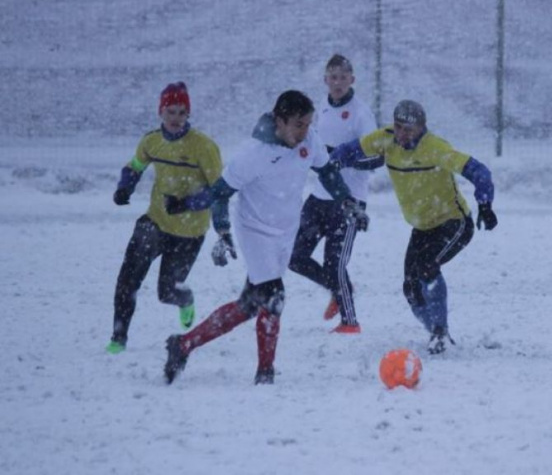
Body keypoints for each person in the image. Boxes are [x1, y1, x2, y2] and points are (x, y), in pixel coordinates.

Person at [163, 90, 366, 385]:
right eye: (298, 124)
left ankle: (182, 345)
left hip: (285, 230)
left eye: (308, 123)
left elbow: (327, 171)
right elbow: (219, 194)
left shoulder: (309, 140)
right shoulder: (253, 154)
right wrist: (210, 223)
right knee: (274, 297)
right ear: (279, 122)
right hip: (255, 231)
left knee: (249, 305)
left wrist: (346, 200)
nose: (305, 131)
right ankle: (265, 374)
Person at [329, 100, 498, 354]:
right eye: (398, 127)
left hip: (454, 223)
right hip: (422, 227)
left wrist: (485, 204)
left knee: (428, 266)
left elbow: (478, 170)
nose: (402, 134)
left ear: (422, 127)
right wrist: (330, 164)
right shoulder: (385, 139)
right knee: (410, 288)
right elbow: (349, 151)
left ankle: (440, 333)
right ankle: (435, 331)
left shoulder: (435, 147)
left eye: (409, 129)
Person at [106, 82, 223, 354]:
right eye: (171, 111)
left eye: (182, 112)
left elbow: (219, 190)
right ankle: (118, 337)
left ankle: (184, 299)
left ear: (188, 115)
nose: (176, 118)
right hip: (155, 222)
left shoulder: (203, 146)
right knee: (127, 280)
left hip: (189, 233)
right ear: (161, 112)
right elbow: (135, 165)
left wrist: (186, 203)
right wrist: (125, 186)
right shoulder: (151, 141)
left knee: (167, 292)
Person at [288, 54, 380, 334]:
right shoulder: (320, 113)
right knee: (294, 256)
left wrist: (344, 159)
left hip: (350, 200)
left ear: (352, 79)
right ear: (325, 80)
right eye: (333, 76)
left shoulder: (361, 113)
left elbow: (377, 159)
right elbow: (316, 152)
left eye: (343, 77)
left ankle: (350, 323)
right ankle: (337, 289)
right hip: (319, 198)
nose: (337, 82)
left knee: (334, 263)